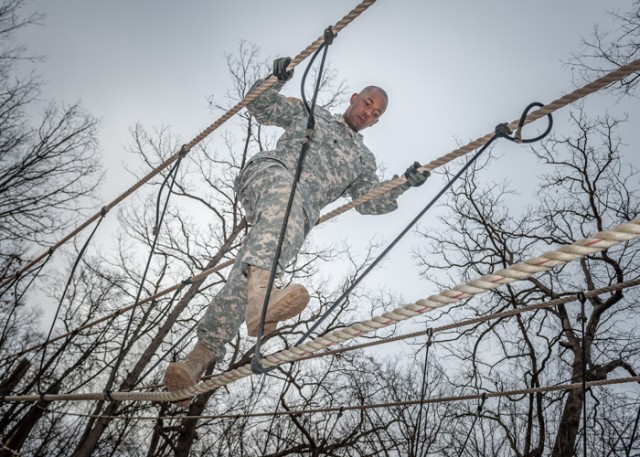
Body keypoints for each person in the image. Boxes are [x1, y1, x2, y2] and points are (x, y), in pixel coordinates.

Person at [163, 57, 430, 395]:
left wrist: (403, 184)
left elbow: (368, 201)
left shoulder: (363, 161)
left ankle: (193, 365)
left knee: (247, 278)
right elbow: (262, 106)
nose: (369, 113)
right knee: (284, 204)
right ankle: (261, 302)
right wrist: (277, 79)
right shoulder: (311, 113)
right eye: (367, 103)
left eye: (377, 114)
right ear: (353, 98)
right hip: (271, 176)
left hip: (297, 217)